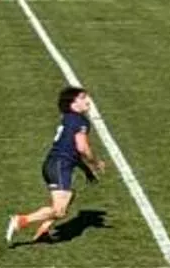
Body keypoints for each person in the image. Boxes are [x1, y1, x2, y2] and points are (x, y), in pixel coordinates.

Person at [6, 86, 106, 244]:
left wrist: (86, 170)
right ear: (73, 103)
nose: (88, 101)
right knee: (59, 211)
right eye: (83, 98)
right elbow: (82, 147)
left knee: (69, 196)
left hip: (52, 165)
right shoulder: (80, 121)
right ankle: (21, 220)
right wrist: (95, 162)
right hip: (60, 166)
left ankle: (44, 231)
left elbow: (70, 150)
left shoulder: (69, 118)